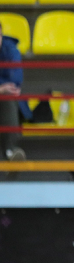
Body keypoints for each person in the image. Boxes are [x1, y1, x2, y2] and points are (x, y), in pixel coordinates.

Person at [0, 21, 26, 163]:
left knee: (8, 95)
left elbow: (14, 82)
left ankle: (11, 152)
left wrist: (2, 90)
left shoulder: (11, 50)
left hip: (7, 102)